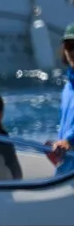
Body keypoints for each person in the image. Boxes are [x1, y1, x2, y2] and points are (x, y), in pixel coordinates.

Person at [46, 23, 74, 171]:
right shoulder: (68, 87)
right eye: (69, 46)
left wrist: (70, 142)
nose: (73, 52)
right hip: (66, 169)